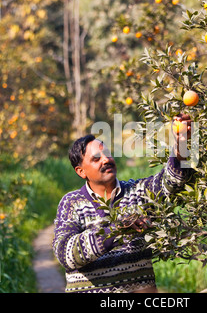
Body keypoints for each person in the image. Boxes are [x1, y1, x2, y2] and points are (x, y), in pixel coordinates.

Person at [52, 114, 194, 293]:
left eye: (107, 154)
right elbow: (66, 254)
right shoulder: (72, 203)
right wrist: (116, 229)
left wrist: (182, 145)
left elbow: (173, 181)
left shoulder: (138, 192)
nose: (106, 159)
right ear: (81, 172)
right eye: (96, 159)